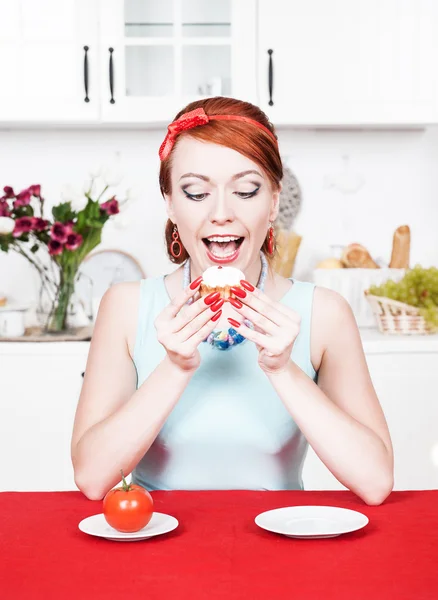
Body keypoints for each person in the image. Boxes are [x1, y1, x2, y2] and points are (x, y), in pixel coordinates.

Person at [71, 97, 394, 505]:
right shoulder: (125, 306)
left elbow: (376, 481)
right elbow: (92, 477)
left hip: (280, 544)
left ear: (274, 201)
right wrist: (174, 368)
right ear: (170, 203)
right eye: (195, 192)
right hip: (154, 549)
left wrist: (282, 369)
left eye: (245, 190)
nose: (221, 212)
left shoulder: (325, 313)